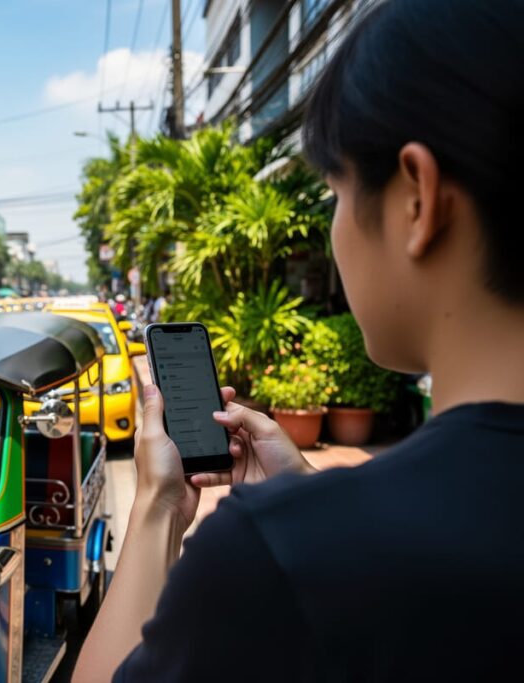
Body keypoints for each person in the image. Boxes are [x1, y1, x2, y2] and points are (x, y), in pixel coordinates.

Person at [74, 1, 524, 681]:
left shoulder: (275, 556)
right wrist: (310, 493)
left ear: (416, 199)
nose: (335, 228)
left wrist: (160, 501)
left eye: (336, 190)